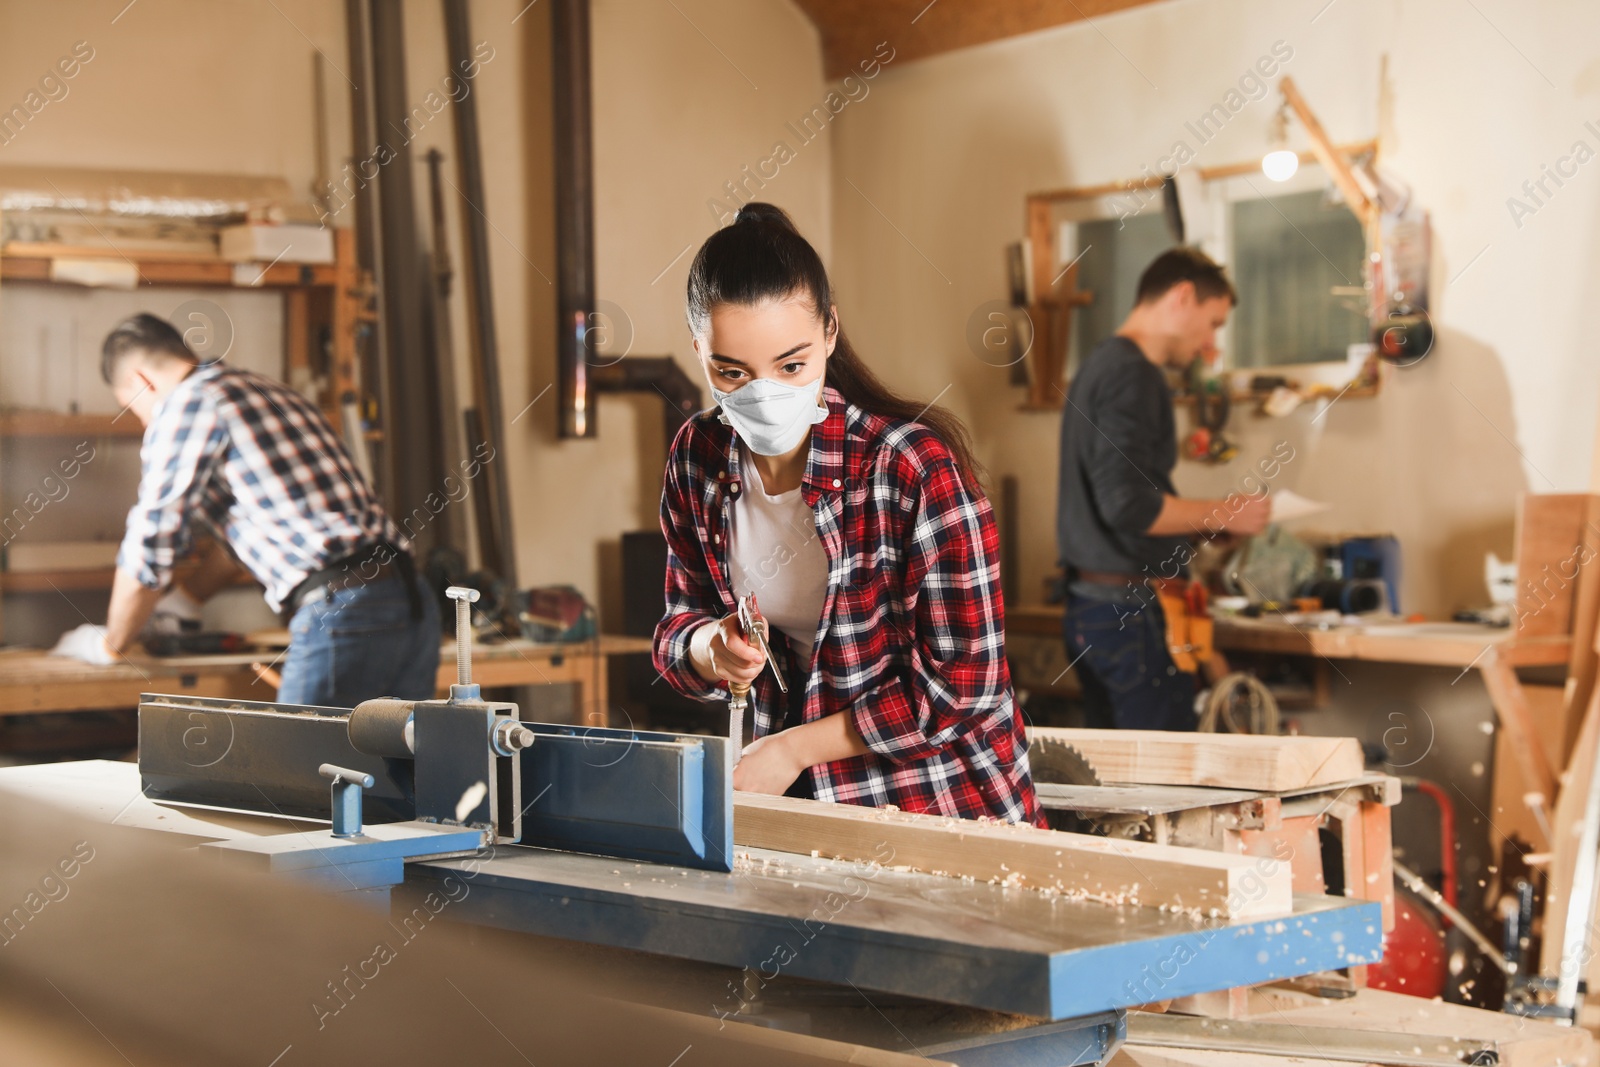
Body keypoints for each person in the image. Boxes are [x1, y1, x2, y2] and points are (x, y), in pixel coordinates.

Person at [652, 202, 1042, 826]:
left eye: (791, 365)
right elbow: (678, 625)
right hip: (801, 806)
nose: (765, 396)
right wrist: (709, 647)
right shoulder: (698, 457)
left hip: (943, 805)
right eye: (731, 372)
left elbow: (966, 686)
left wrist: (794, 749)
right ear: (697, 350)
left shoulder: (911, 471)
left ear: (830, 332)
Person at [51, 313, 439, 707]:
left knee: (298, 765)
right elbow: (258, 532)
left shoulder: (187, 405)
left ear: (140, 382)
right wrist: (185, 601)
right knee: (394, 764)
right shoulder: (266, 390)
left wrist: (110, 642)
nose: (142, 420)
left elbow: (151, 538)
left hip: (344, 608)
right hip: (412, 599)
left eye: (131, 408)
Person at [1057, 247, 1269, 732]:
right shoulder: (1134, 373)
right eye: (1213, 323)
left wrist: (1200, 530)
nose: (1211, 343)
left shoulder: (1099, 366)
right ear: (1182, 296)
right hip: (1127, 615)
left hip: (1094, 607)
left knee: (1114, 791)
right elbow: (1127, 505)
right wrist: (1222, 513)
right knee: (1157, 792)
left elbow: (1118, 499)